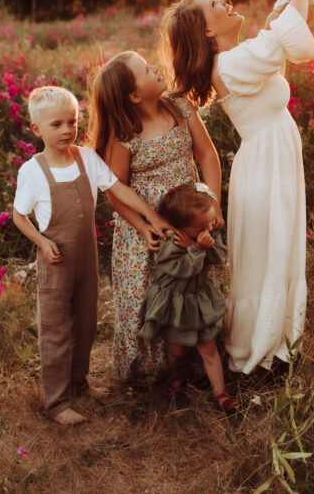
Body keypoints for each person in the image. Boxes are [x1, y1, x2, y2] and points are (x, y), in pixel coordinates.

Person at [160, 0, 314, 375]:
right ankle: (260, 348)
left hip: (275, 157)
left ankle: (280, 342)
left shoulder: (243, 53)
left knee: (279, 249)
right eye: (213, 4)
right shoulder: (231, 64)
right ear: (206, 32)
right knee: (269, 253)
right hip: (265, 166)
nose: (225, 2)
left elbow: (288, 27)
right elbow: (287, 27)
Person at [11, 85, 173, 425]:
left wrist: (152, 217)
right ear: (37, 129)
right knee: (56, 330)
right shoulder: (32, 171)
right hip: (56, 261)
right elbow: (19, 216)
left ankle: (79, 383)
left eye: (71, 121)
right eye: (56, 124)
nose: (67, 130)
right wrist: (42, 242)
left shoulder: (86, 158)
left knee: (85, 324)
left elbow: (118, 189)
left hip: (86, 258)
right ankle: (56, 403)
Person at [88, 51, 222, 385]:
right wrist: (143, 227)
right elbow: (114, 190)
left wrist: (214, 203)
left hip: (190, 216)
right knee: (148, 294)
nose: (156, 68)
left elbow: (206, 153)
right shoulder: (124, 134)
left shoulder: (180, 107)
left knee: (191, 286)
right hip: (147, 231)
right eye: (146, 70)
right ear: (133, 94)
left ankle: (197, 361)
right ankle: (152, 370)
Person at [139, 182, 236, 414]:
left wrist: (197, 243)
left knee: (208, 349)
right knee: (177, 351)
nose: (210, 228)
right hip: (176, 304)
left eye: (211, 221)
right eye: (202, 226)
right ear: (179, 228)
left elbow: (218, 256)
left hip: (198, 301)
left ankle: (221, 393)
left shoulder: (206, 231)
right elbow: (184, 270)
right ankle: (177, 378)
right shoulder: (170, 241)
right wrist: (196, 249)